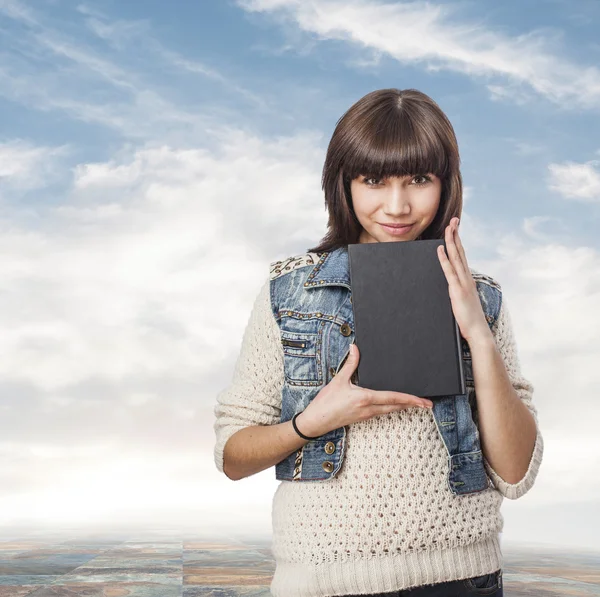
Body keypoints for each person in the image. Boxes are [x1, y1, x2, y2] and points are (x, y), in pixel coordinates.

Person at [213, 88, 543, 597]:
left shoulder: (484, 297)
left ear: (446, 184)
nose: (398, 205)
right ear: (343, 184)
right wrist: (312, 421)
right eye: (373, 180)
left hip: (463, 577)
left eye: (418, 179)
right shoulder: (291, 290)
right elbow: (233, 456)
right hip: (323, 582)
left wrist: (477, 333)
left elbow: (516, 471)